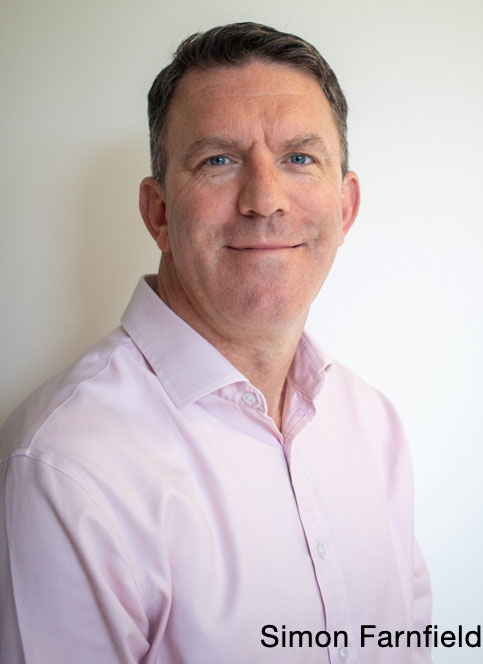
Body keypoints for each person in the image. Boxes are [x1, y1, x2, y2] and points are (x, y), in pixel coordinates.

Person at [0, 22, 432, 664]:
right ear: (159, 213)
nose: (264, 200)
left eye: (299, 158)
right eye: (219, 161)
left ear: (345, 208)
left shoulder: (373, 426)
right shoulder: (65, 465)